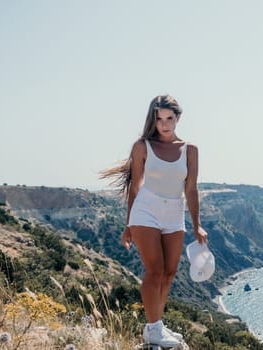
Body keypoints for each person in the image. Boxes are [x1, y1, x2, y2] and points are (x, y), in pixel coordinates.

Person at [100, 94, 208, 347]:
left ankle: (156, 327)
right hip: (145, 211)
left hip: (174, 212)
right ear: (153, 119)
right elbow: (135, 187)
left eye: (169, 118)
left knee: (169, 273)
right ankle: (154, 327)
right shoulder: (142, 146)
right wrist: (128, 224)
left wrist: (196, 224)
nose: (164, 124)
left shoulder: (190, 150)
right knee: (155, 271)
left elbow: (191, 189)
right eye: (159, 119)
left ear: (178, 118)